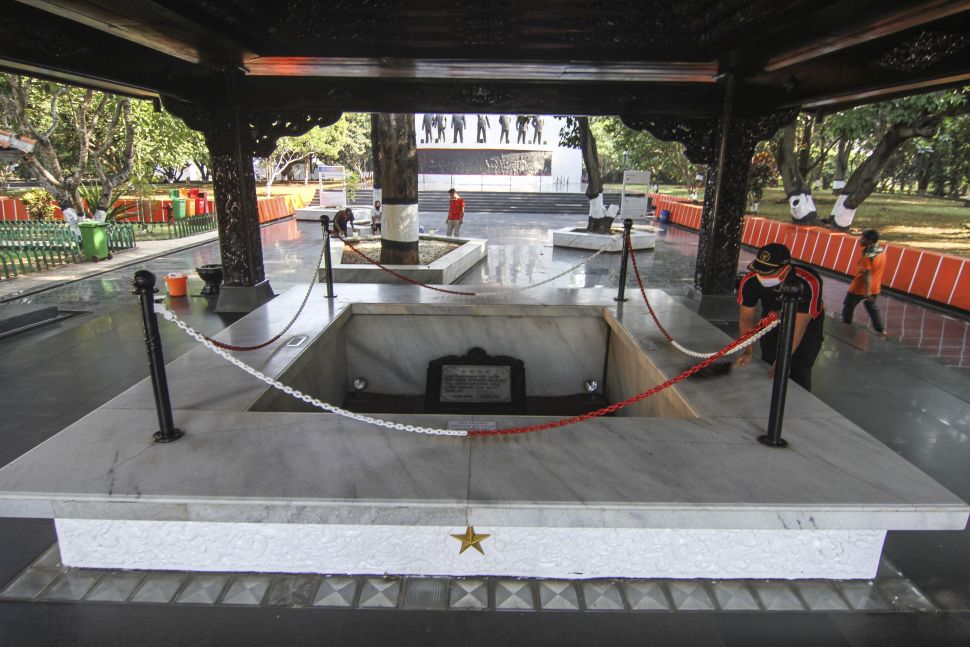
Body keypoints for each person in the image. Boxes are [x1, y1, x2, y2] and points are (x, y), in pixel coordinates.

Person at [735, 243, 825, 391]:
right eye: (759, 270)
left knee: (798, 371)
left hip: (805, 331)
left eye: (767, 272)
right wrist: (747, 350)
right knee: (769, 364)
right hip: (771, 321)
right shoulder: (750, 281)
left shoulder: (807, 282)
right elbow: (746, 318)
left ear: (785, 268)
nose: (762, 276)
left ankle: (797, 410)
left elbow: (798, 326)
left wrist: (783, 361)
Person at [842, 228, 887, 337]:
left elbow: (867, 274)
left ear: (870, 240)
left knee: (848, 307)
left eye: (863, 238)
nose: (860, 240)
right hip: (875, 287)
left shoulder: (867, 256)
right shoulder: (881, 251)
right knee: (872, 308)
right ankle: (880, 330)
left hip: (860, 288)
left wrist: (867, 292)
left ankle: (845, 327)